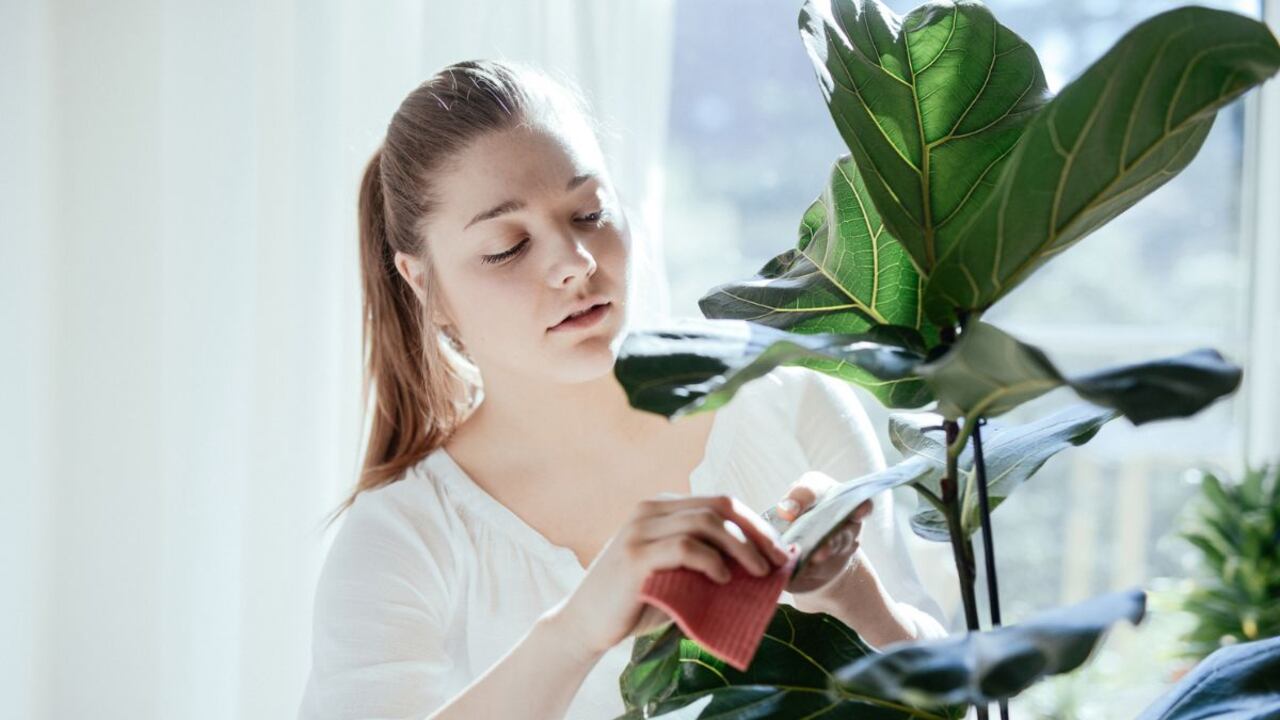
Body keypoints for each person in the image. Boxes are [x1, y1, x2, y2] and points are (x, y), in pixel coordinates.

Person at [297, 58, 947, 720]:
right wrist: (577, 629)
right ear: (419, 280)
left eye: (589, 212)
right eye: (506, 246)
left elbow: (953, 702)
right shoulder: (405, 535)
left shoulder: (790, 408)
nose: (574, 262)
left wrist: (846, 593)